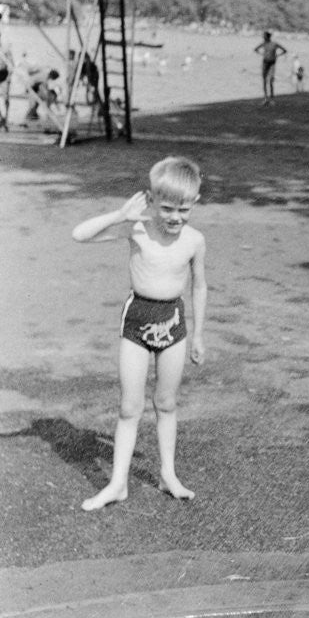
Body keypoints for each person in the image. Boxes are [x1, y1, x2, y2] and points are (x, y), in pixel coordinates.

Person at [72, 156, 207, 511]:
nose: (175, 217)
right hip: (136, 321)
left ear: (194, 203)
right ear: (150, 199)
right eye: (166, 208)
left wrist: (198, 334)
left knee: (166, 403)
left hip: (173, 322)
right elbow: (79, 235)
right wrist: (120, 215)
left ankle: (168, 474)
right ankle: (117, 483)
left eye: (183, 209)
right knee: (129, 407)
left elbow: (199, 286)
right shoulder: (137, 230)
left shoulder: (194, 240)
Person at [255, 31, 287, 105]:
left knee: (271, 80)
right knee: (264, 80)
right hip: (265, 63)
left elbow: (284, 50)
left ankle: (272, 99)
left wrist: (277, 55)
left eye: (264, 36)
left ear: (267, 37)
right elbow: (256, 49)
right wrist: (263, 54)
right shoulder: (264, 44)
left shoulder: (274, 44)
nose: (263, 37)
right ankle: (266, 98)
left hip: (272, 63)